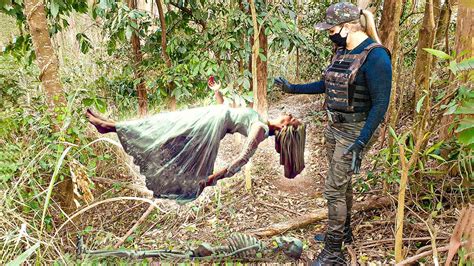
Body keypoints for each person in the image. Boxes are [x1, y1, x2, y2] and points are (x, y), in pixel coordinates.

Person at [274, 2, 392, 265]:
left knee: (333, 190)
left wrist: (361, 142)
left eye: (331, 29)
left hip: (356, 130)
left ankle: (333, 252)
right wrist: (293, 89)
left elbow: (381, 105)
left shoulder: (376, 57)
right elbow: (327, 84)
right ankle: (344, 232)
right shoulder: (341, 51)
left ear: (346, 27)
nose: (329, 34)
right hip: (335, 127)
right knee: (342, 184)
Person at [86, 79, 306, 202]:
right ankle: (111, 125)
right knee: (163, 126)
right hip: (211, 117)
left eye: (291, 119)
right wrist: (218, 93)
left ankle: (109, 127)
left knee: (163, 128)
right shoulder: (262, 122)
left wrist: (211, 179)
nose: (288, 114)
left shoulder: (260, 129)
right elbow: (229, 112)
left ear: (285, 127)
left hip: (208, 127)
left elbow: (240, 161)